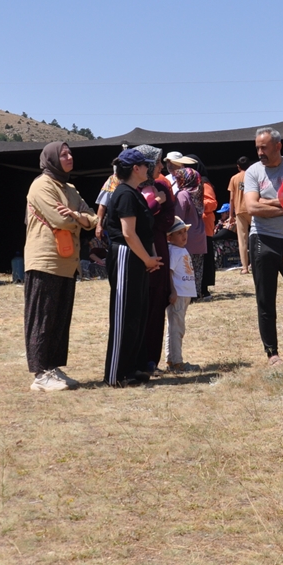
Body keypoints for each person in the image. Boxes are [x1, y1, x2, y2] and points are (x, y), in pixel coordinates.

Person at [23, 141, 98, 392]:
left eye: (70, 153)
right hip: (46, 260)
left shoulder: (70, 188)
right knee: (42, 318)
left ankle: (52, 367)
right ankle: (39, 374)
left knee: (59, 319)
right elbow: (59, 219)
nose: (69, 156)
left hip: (67, 262)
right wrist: (78, 218)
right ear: (52, 159)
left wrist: (76, 215)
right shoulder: (41, 185)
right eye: (63, 154)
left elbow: (93, 219)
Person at [103, 148, 163, 387]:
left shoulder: (134, 192)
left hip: (137, 257)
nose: (149, 169)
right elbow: (128, 234)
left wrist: (150, 257)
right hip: (126, 256)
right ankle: (115, 374)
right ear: (135, 169)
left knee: (137, 313)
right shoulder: (125, 193)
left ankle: (131, 368)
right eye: (145, 165)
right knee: (123, 314)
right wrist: (148, 259)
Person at [244, 127, 283, 367]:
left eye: (264, 147)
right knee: (265, 299)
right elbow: (252, 208)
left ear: (278, 146)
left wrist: (267, 202)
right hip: (262, 238)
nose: (260, 152)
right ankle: (272, 352)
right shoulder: (253, 172)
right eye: (257, 148)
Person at [134, 145, 176, 373]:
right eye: (158, 162)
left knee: (158, 302)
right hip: (139, 250)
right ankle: (138, 357)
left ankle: (152, 359)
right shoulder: (128, 189)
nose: (161, 167)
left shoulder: (161, 186)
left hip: (158, 248)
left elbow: (169, 218)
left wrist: (153, 219)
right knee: (142, 304)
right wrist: (155, 204)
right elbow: (137, 221)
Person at [164, 216, 197, 371]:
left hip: (184, 294)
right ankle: (177, 361)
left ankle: (171, 359)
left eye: (185, 232)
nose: (184, 236)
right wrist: (173, 290)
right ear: (169, 237)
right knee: (177, 328)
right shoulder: (174, 251)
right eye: (179, 233)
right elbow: (169, 272)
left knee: (175, 326)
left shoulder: (180, 250)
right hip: (178, 295)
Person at [187, 154, 218, 299]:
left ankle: (204, 289)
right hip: (195, 226)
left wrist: (194, 204)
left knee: (204, 260)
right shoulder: (188, 184)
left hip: (204, 226)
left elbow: (212, 203)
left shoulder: (204, 183)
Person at [174, 167, 208, 297]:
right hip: (199, 235)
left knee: (186, 269)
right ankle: (196, 294)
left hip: (187, 237)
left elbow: (178, 217)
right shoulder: (198, 191)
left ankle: (187, 295)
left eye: (178, 178)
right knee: (197, 269)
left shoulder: (183, 194)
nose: (176, 180)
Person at [228, 156, 252, 274]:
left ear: (238, 167)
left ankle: (245, 267)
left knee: (242, 240)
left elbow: (232, 198)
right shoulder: (253, 175)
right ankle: (254, 262)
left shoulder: (234, 178)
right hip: (253, 209)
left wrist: (230, 215)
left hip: (239, 211)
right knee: (256, 237)